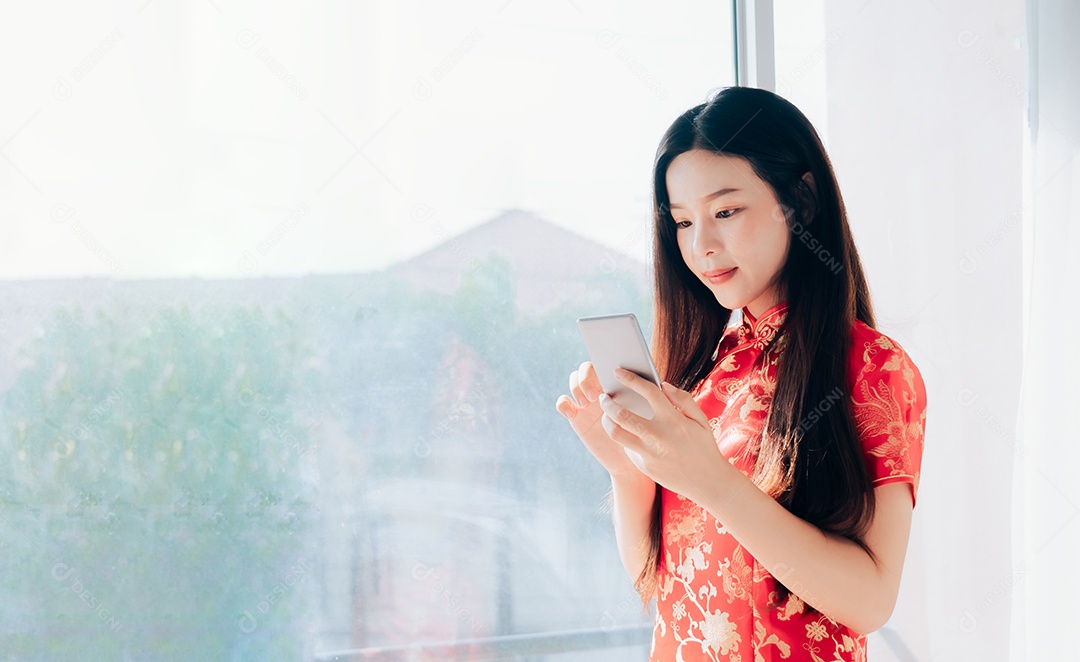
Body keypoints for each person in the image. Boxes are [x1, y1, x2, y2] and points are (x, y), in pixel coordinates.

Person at [555, 86, 927, 661]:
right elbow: (663, 587)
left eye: (725, 211)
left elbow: (871, 601)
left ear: (801, 201)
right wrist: (627, 471)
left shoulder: (870, 365)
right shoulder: (706, 372)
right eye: (682, 222)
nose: (701, 245)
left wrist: (711, 481)